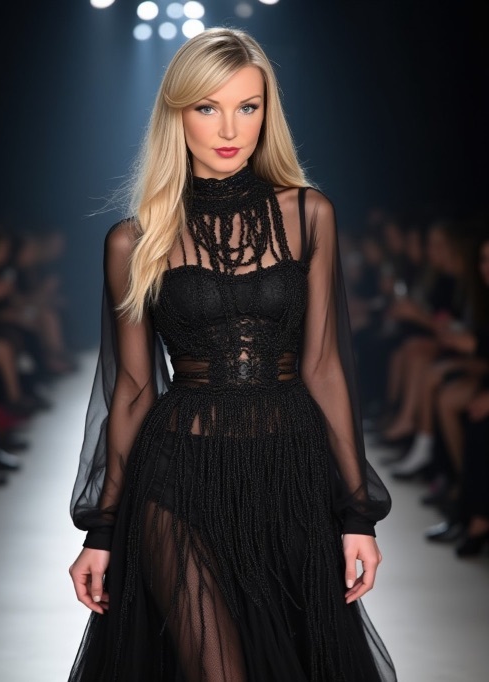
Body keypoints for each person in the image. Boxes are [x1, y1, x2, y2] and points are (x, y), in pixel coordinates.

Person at [68, 28, 396, 682]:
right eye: (207, 107)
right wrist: (101, 530)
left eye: (248, 107)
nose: (229, 128)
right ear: (177, 115)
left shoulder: (309, 214)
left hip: (291, 474)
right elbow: (133, 389)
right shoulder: (135, 240)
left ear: (267, 114)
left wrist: (357, 516)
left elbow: (324, 368)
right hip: (175, 482)